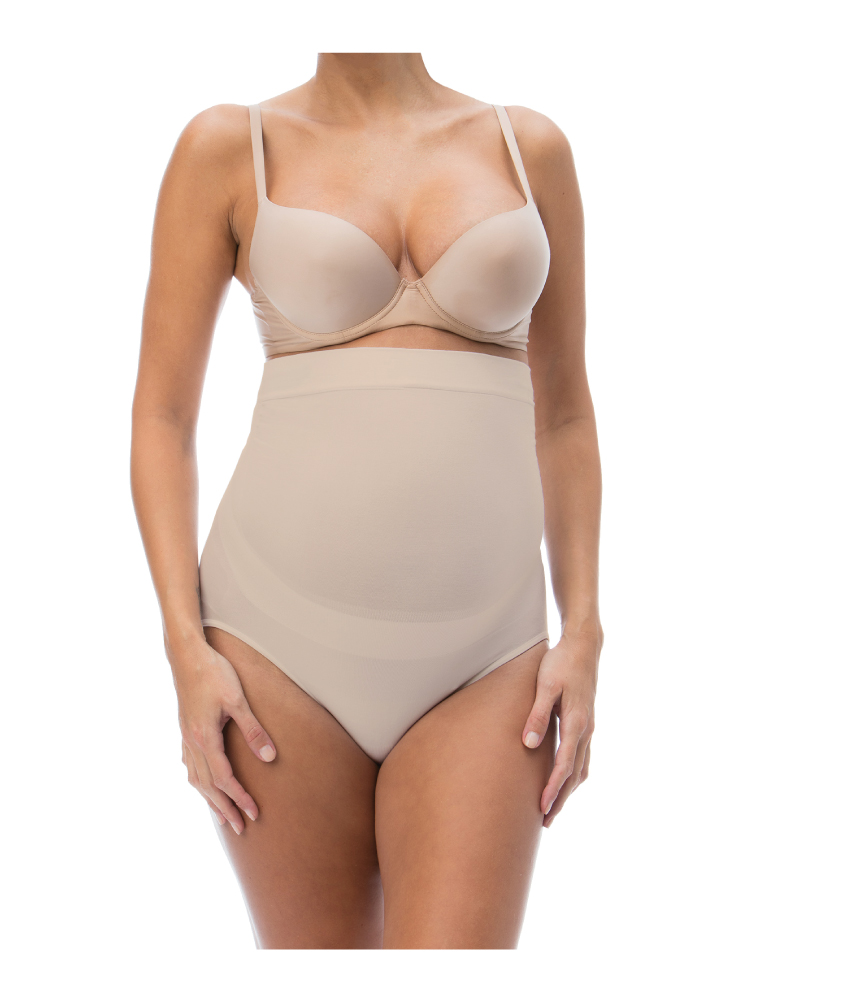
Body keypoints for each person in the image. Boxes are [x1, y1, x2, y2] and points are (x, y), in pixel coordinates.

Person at [130, 53, 602, 949]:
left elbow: (568, 415)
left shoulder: (528, 147)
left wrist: (583, 631)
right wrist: (183, 648)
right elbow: (162, 419)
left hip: (488, 661)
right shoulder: (230, 145)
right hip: (273, 651)